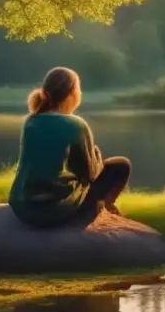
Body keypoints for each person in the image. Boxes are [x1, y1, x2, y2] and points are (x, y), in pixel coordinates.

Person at [9, 67, 131, 227]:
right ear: (73, 94)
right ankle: (106, 206)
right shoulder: (76, 124)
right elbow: (89, 176)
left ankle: (105, 207)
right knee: (121, 164)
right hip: (56, 210)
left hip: (22, 207)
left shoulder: (30, 121)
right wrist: (96, 156)